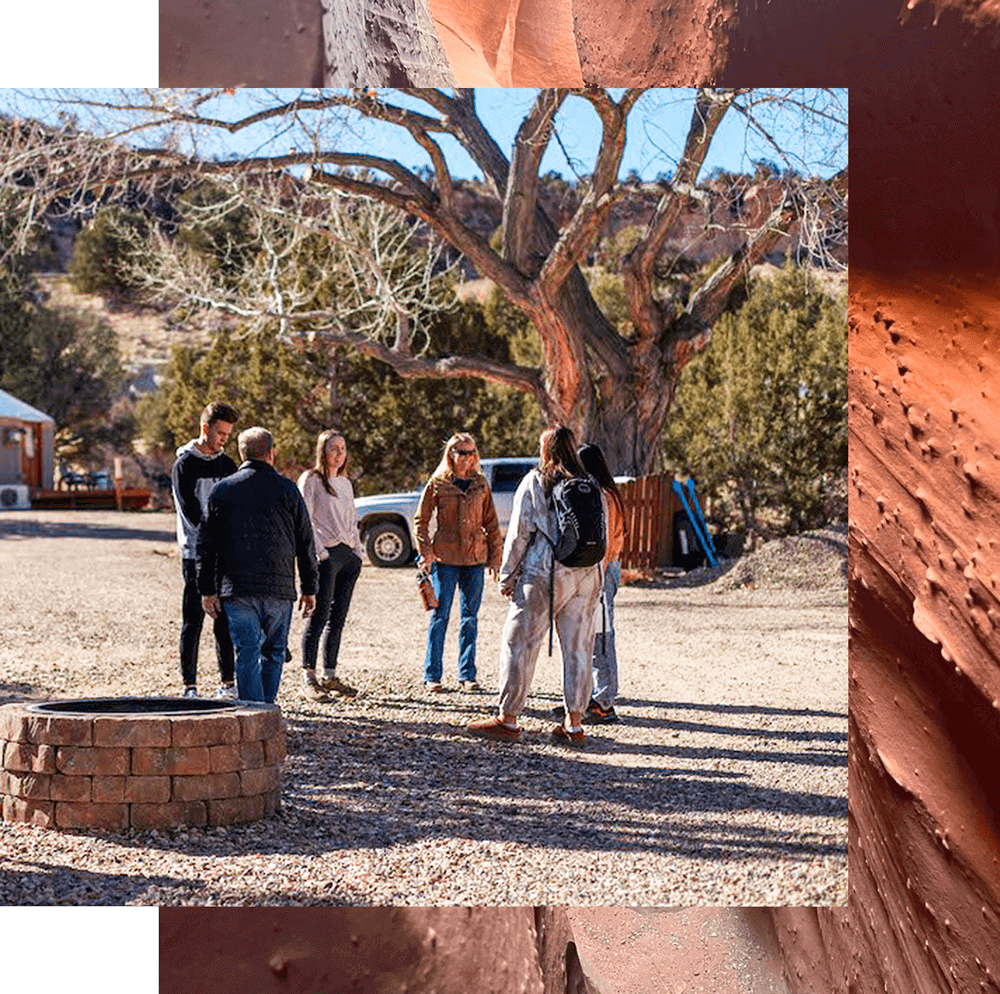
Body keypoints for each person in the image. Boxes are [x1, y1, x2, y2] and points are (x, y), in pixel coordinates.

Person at [467, 426, 605, 746]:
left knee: (520, 644)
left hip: (544, 571)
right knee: (579, 647)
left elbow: (519, 533)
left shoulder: (536, 480)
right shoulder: (590, 484)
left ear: (546, 451)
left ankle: (508, 719)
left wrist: (507, 576)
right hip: (587, 573)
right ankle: (574, 725)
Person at [196, 427, 318, 704]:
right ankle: (266, 709)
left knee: (247, 652)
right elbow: (305, 541)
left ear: (242, 454)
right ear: (272, 453)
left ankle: (253, 713)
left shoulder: (222, 490)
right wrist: (310, 587)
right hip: (279, 587)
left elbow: (206, 546)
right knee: (274, 651)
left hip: (237, 588)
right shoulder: (288, 489)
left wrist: (207, 590)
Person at [414, 433, 502, 693]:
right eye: (461, 452)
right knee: (440, 617)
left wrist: (495, 557)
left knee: (470, 619)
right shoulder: (438, 483)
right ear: (450, 454)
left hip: (474, 559)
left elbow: (492, 524)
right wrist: (425, 551)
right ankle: (432, 675)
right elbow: (421, 520)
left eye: (471, 451)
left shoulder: (481, 485)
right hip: (445, 558)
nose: (466, 456)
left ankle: (467, 675)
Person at [170, 401, 240, 699]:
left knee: (224, 621)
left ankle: (227, 683)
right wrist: (212, 540)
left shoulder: (228, 465)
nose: (224, 438)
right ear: (204, 428)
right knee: (193, 620)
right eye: (220, 432)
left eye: (228, 434)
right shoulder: (184, 465)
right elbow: (190, 511)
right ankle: (190, 686)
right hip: (195, 554)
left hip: (226, 554)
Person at [553, 443, 625, 724]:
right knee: (591, 635)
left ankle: (605, 702)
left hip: (603, 570)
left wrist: (598, 571)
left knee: (601, 637)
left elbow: (606, 539)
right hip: (608, 568)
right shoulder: (610, 493)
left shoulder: (602, 496)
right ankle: (587, 698)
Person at [297, 431, 364, 701]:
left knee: (338, 619)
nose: (339, 453)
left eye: (343, 448)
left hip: (349, 556)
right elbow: (304, 520)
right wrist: (321, 553)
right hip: (326, 556)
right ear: (322, 451)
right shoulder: (311, 480)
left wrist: (357, 552)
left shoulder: (345, 484)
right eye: (333, 448)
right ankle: (308, 677)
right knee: (319, 616)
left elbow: (352, 520)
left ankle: (330, 674)